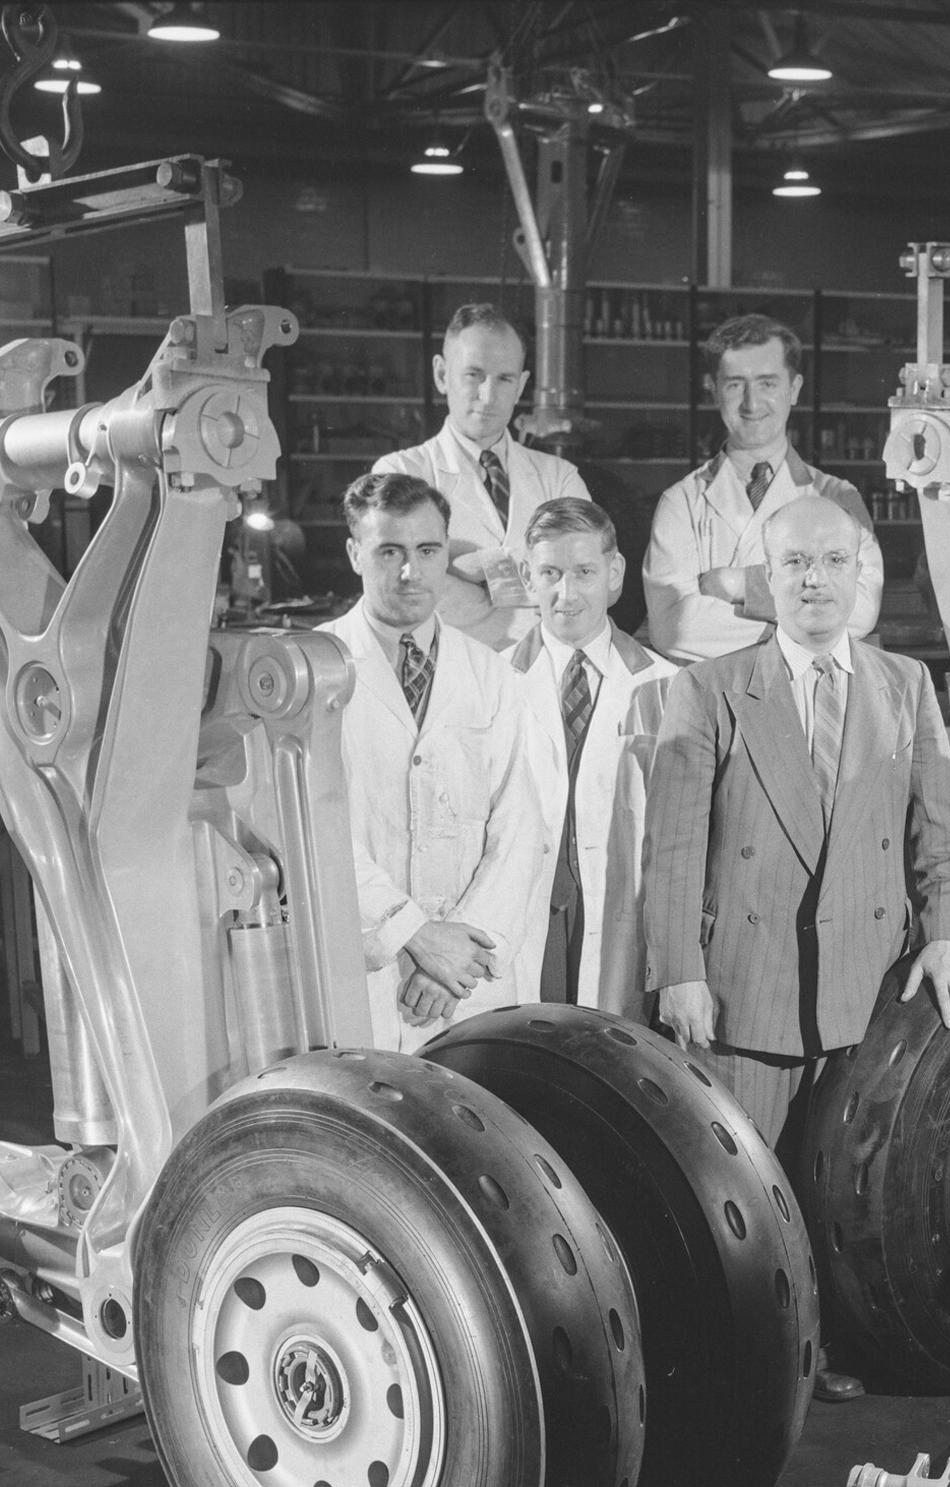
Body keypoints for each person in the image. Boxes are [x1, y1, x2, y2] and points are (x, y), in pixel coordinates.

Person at [642, 493, 950, 1398]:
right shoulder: (708, 690)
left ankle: (827, 1347)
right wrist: (679, 969)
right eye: (794, 564)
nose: (815, 580)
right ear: (766, 579)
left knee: (844, 1199)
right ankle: (753, 1363)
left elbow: (942, 839)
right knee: (745, 1193)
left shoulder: (905, 686)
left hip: (867, 997)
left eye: (833, 561)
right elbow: (672, 848)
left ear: (860, 570)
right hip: (749, 988)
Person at [325, 472, 546, 1051]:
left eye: (427, 551)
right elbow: (309, 833)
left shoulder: (490, 673)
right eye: (389, 551)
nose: (410, 571)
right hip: (368, 970)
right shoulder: (314, 669)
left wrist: (462, 957)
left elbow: (520, 828)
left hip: (468, 983)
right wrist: (415, 935)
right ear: (354, 554)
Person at [509, 496, 678, 1018]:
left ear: (615, 573)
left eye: (584, 572)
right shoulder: (491, 684)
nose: (566, 593)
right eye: (550, 573)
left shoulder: (666, 685)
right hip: (520, 913)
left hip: (619, 913)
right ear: (527, 578)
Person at [642, 313, 883, 665]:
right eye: (735, 384)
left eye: (768, 383)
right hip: (715, 703)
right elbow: (673, 628)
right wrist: (809, 628)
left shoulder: (836, 497)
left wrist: (740, 585)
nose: (752, 404)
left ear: (795, 389)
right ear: (713, 389)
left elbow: (859, 612)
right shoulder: (681, 502)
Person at [375, 303, 590, 649]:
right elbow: (407, 592)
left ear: (521, 386)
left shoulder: (559, 478)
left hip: (541, 674)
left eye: (504, 379)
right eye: (473, 375)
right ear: (442, 375)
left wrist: (469, 568)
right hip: (444, 673)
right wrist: (539, 579)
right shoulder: (399, 474)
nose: (488, 396)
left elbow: (585, 582)